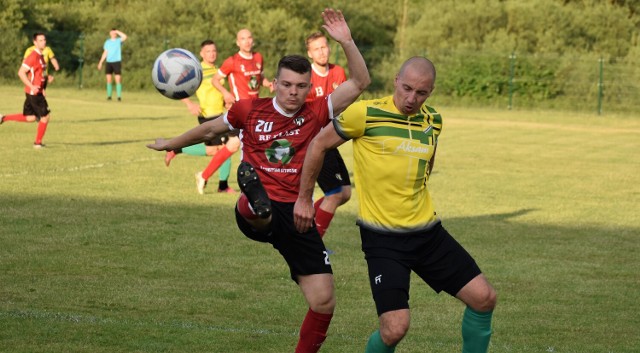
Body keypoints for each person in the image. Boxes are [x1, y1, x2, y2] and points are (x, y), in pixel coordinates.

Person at [147, 8, 370, 352]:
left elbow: (359, 83)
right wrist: (171, 143)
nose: (293, 92)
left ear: (308, 86)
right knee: (258, 208)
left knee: (324, 300)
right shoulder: (249, 110)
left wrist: (347, 41)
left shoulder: (316, 111)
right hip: (258, 213)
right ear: (275, 82)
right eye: (286, 84)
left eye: (300, 86)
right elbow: (210, 128)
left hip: (298, 213)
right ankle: (255, 199)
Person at [294, 57, 497, 353]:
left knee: (484, 298)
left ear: (431, 92)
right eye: (407, 88)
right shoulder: (365, 113)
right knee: (394, 329)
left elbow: (427, 164)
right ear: (395, 81)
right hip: (383, 240)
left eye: (422, 93)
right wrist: (304, 198)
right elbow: (318, 145)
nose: (412, 98)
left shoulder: (433, 121)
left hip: (428, 233)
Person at [164, 39, 240, 194]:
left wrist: (226, 102)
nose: (212, 54)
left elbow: (218, 92)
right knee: (226, 148)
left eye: (214, 51)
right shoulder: (196, 70)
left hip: (221, 114)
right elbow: (177, 88)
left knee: (217, 150)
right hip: (208, 116)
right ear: (201, 53)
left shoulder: (218, 71)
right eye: (208, 51)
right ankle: (222, 185)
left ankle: (177, 150)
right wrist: (190, 104)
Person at [304, 31, 350, 238]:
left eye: (324, 47)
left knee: (345, 193)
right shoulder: (306, 77)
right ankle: (314, 243)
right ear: (309, 53)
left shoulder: (338, 72)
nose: (322, 52)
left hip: (332, 139)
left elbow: (344, 102)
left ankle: (304, 219)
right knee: (334, 194)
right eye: (316, 49)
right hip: (316, 141)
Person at [0, 33, 53, 148]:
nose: (43, 42)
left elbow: (41, 74)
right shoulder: (33, 56)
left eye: (44, 40)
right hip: (34, 92)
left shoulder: (41, 56)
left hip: (35, 92)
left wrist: (46, 82)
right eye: (40, 40)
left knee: (31, 118)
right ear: (35, 42)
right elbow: (21, 72)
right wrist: (32, 86)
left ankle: (3, 118)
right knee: (45, 117)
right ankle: (37, 143)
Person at [211, 28, 273, 106]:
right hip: (240, 106)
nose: (247, 42)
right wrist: (226, 93)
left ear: (253, 41)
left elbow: (260, 78)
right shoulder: (232, 61)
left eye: (249, 38)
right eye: (243, 39)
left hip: (255, 104)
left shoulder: (258, 57)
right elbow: (214, 80)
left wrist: (268, 84)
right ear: (238, 43)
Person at [97, 28, 127, 101]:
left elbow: (125, 37)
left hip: (116, 62)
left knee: (118, 79)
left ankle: (119, 96)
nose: (113, 34)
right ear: (110, 33)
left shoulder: (118, 41)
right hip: (109, 62)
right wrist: (101, 62)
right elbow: (105, 52)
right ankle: (109, 96)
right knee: (108, 79)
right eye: (112, 32)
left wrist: (117, 31)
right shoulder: (107, 42)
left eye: (114, 33)